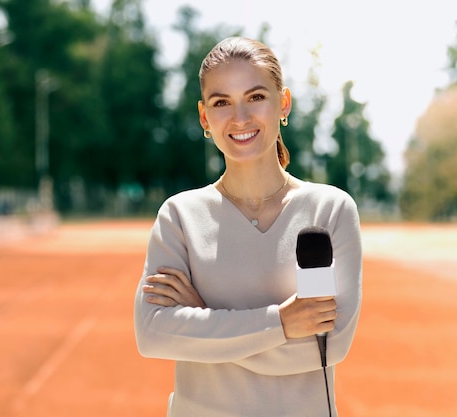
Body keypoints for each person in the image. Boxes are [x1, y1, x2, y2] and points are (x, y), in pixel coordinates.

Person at [134, 36, 362, 417]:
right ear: (205, 117)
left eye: (255, 97)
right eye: (221, 102)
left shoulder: (329, 211)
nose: (239, 118)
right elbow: (153, 334)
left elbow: (328, 347)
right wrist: (282, 323)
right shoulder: (180, 216)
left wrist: (204, 321)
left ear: (283, 103)